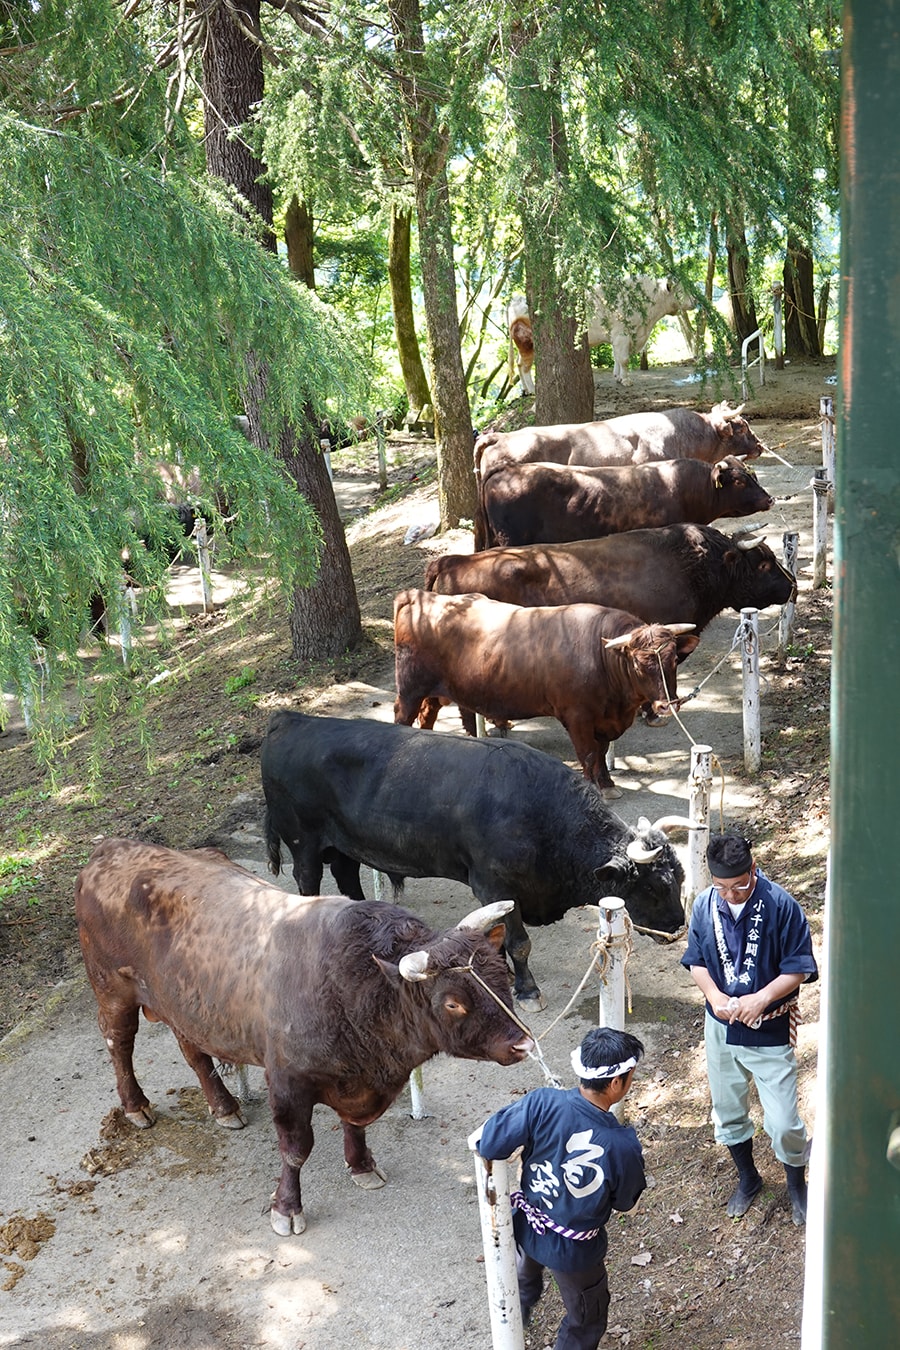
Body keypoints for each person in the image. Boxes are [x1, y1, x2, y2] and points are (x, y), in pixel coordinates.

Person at [475, 1027, 646, 1350]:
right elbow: (625, 1201)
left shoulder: (542, 1102)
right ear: (615, 1083)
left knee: (521, 1282)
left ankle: (512, 1329)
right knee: (586, 1318)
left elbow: (491, 1142)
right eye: (631, 1076)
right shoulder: (621, 1146)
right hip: (573, 1251)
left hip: (526, 1227)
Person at [682, 831, 818, 1225]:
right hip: (721, 1026)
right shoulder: (705, 905)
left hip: (768, 1027)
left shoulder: (781, 905)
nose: (730, 895)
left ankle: (797, 1184)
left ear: (753, 870)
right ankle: (748, 1177)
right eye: (721, 887)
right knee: (726, 1109)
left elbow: (799, 967)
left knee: (782, 1121)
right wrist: (714, 997)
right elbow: (696, 961)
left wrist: (761, 998)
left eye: (739, 886)